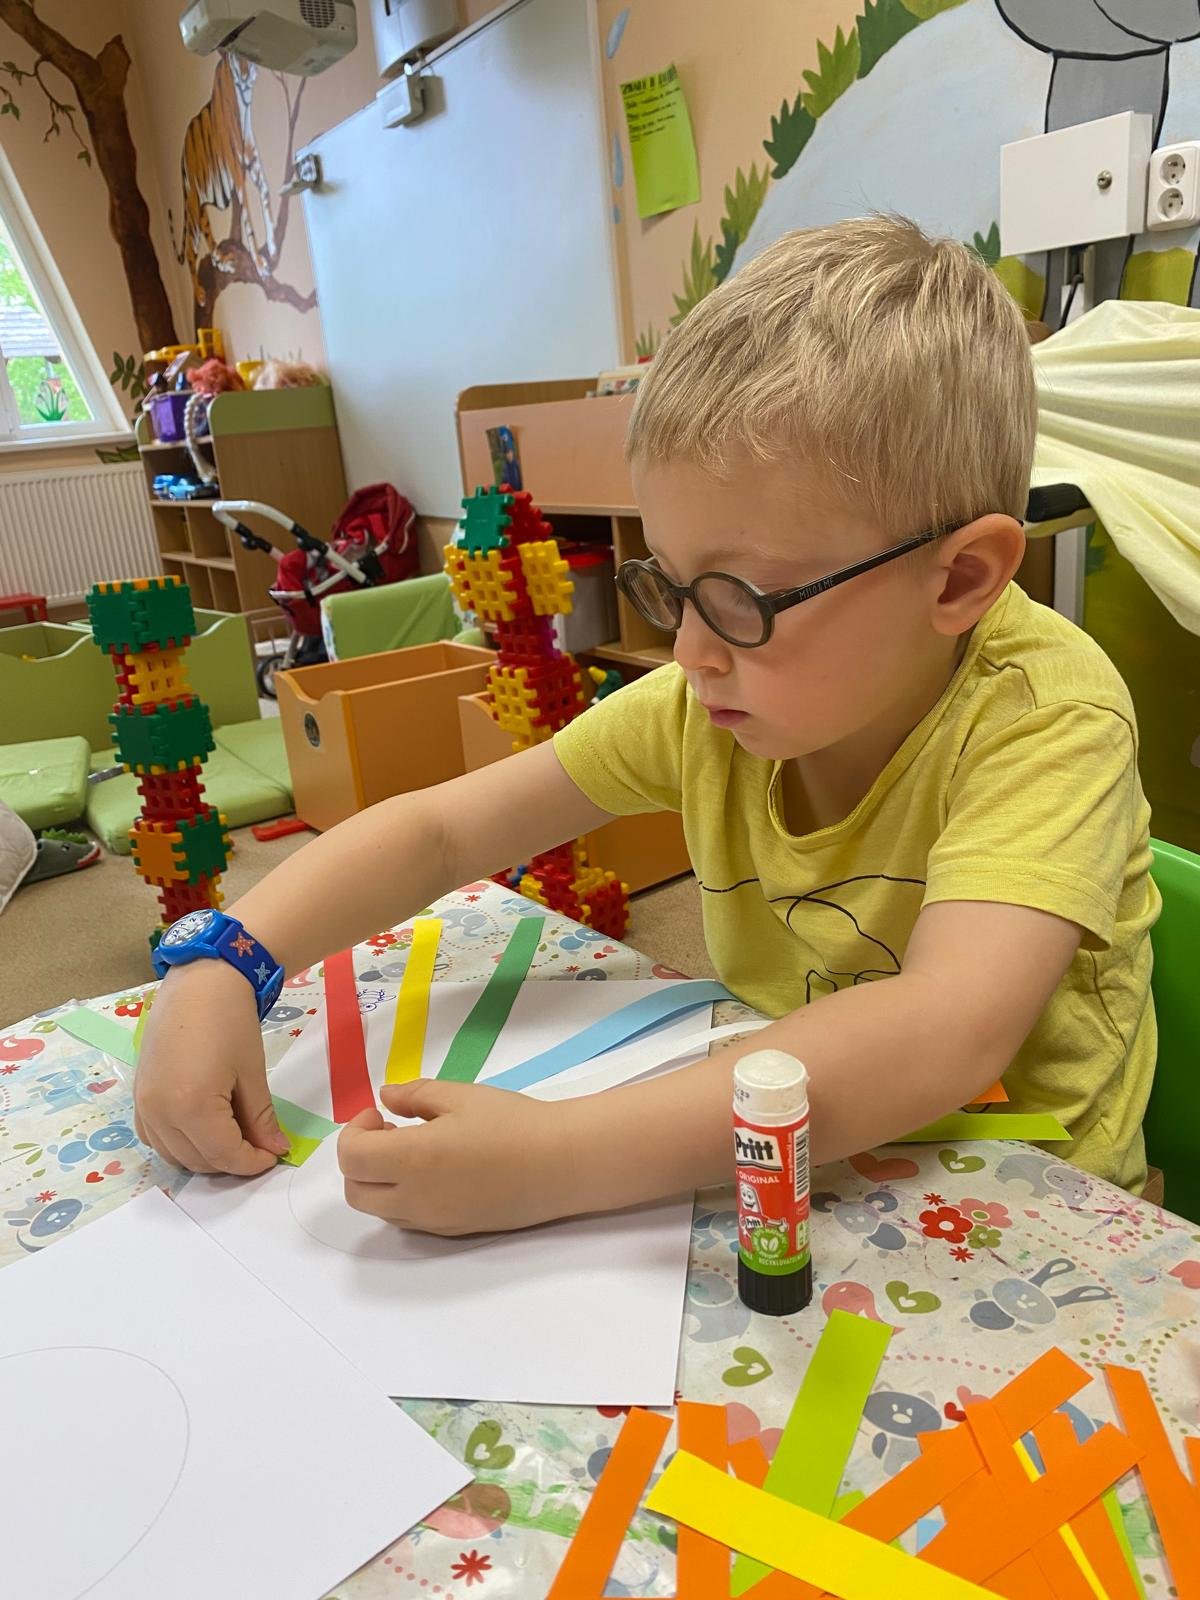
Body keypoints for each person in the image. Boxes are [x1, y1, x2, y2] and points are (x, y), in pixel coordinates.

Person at [134, 216, 1158, 1230]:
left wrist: (555, 1159)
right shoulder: (709, 701)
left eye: (742, 599)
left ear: (961, 578)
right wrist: (227, 955)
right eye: (670, 585)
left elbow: (944, 1030)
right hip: (794, 1143)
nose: (689, 651)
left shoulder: (1046, 717)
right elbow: (443, 829)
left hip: (1035, 1203)